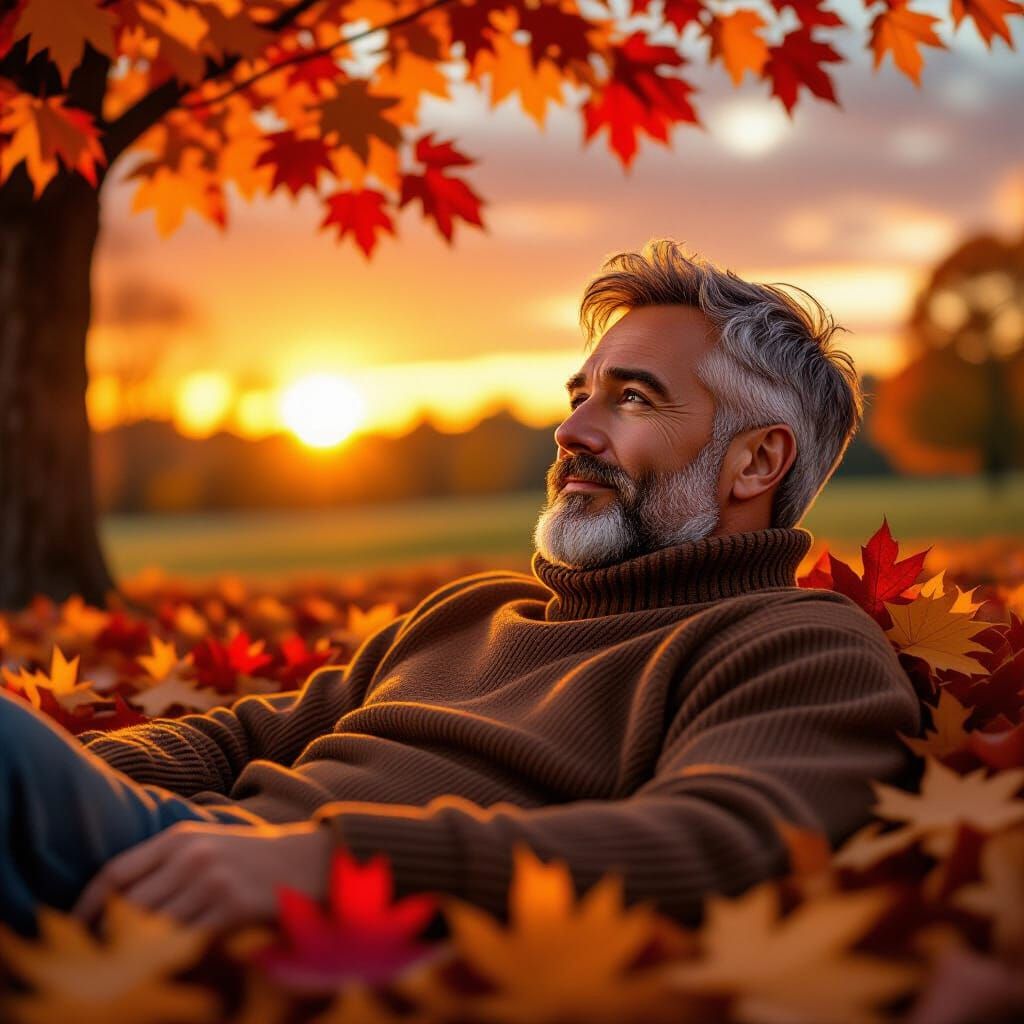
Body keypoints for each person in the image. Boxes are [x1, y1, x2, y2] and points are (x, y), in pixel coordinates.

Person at [0, 239, 922, 938]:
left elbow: (724, 845)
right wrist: (60, 780)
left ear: (757, 460)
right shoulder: (476, 611)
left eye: (633, 399)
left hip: (322, 929)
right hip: (170, 849)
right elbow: (245, 736)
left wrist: (331, 863)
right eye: (580, 393)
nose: (572, 432)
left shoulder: (794, 642)